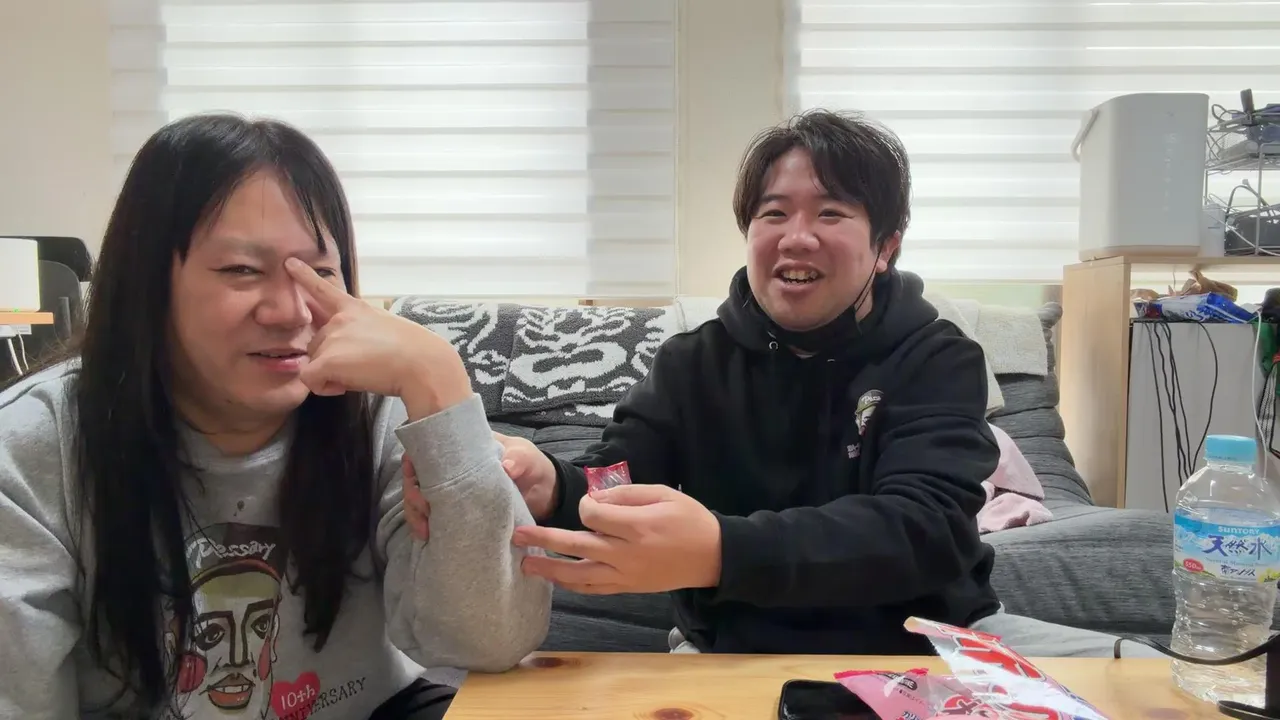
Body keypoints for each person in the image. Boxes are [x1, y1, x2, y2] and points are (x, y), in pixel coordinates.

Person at [403, 109, 1158, 660]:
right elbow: (619, 480)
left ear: (885, 245)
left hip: (927, 645)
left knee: (1153, 683)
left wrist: (722, 549)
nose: (797, 236)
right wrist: (551, 484)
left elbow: (923, 530)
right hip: (730, 648)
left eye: (831, 212)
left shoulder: (936, 358)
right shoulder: (692, 363)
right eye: (774, 213)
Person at [0, 114, 552, 720]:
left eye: (320, 273)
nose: (292, 311)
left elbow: (492, 639)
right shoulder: (31, 449)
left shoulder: (380, 413)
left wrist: (443, 389)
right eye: (241, 269)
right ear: (147, 281)